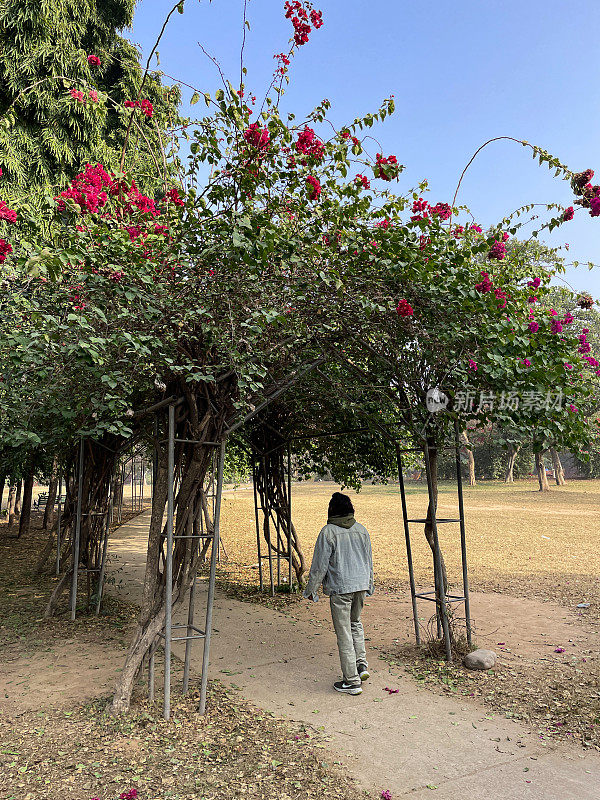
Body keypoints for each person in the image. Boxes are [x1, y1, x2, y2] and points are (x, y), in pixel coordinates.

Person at [303, 492, 374, 695]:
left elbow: (319, 566)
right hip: (360, 585)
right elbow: (369, 561)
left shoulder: (328, 532)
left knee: (344, 633)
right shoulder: (362, 530)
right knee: (355, 624)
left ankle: (351, 682)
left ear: (332, 510)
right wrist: (369, 584)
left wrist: (311, 590)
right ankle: (361, 666)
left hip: (341, 588)